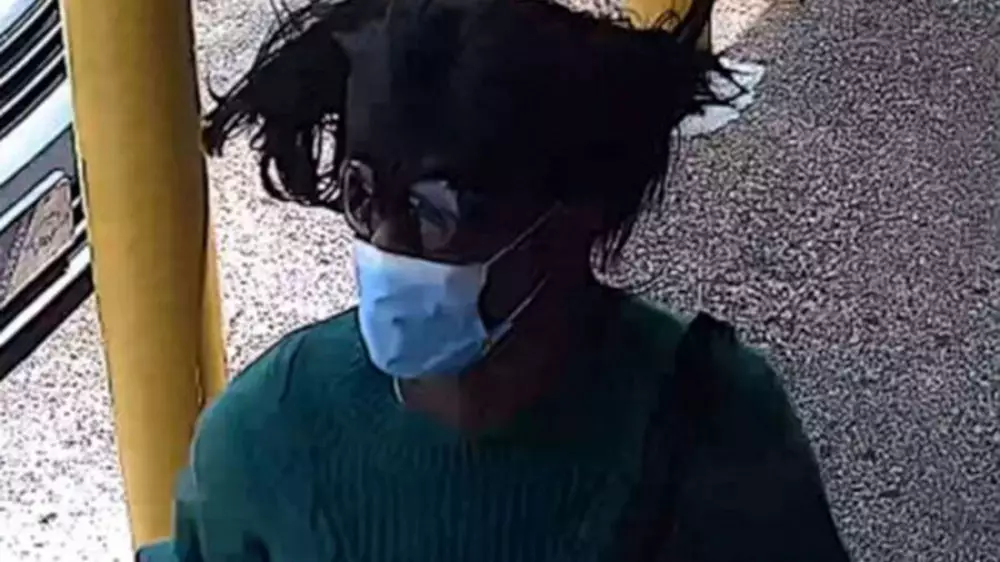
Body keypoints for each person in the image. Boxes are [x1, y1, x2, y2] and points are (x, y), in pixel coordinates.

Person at [140, 0, 851, 560]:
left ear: (572, 217)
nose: (388, 244)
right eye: (365, 196)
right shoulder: (265, 439)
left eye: (437, 209)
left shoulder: (710, 429)